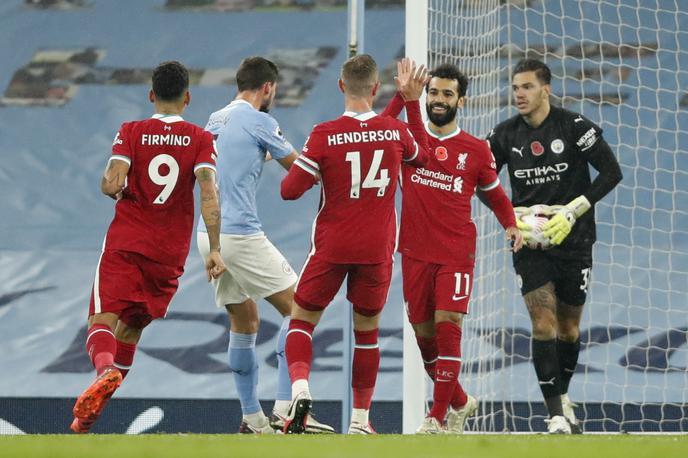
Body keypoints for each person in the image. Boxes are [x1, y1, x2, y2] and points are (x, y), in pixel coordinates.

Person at [70, 61, 226, 433]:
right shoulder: (202, 140)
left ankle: (104, 370)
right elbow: (209, 193)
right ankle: (84, 421)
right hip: (169, 253)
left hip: (128, 240)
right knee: (132, 330)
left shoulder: (131, 131)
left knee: (102, 320)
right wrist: (215, 249)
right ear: (187, 98)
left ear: (152, 95)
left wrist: (115, 186)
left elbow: (112, 182)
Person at [280, 55, 430, 435]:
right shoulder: (393, 132)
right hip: (376, 249)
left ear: (341, 85)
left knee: (302, 321)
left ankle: (299, 391)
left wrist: (313, 169)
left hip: (332, 245)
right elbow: (423, 158)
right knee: (367, 332)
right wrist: (411, 102)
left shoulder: (323, 134)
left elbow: (289, 190)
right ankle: (360, 421)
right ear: (376, 88)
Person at [382, 62, 523, 434]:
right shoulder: (407, 139)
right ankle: (460, 401)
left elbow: (494, 194)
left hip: (456, 252)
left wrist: (510, 224)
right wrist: (402, 95)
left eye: (447, 93)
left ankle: (437, 417)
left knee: (449, 326)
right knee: (424, 338)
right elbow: (379, 127)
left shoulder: (476, 150)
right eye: (433, 92)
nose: (438, 100)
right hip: (414, 251)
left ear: (462, 99)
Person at [196, 56, 334, 434]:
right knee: (300, 311)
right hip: (240, 234)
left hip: (208, 235)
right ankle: (286, 408)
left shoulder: (215, 119)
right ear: (267, 88)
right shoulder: (260, 120)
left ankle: (252, 418)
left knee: (245, 320)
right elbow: (302, 170)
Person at [485, 58, 623, 434]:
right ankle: (556, 414)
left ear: (545, 89)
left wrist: (573, 210)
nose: (518, 94)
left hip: (575, 239)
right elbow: (482, 181)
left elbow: (612, 173)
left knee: (569, 329)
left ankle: (563, 396)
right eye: (515, 87)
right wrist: (510, 219)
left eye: (526, 87)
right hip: (529, 244)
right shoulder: (504, 135)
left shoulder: (574, 126)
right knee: (542, 323)